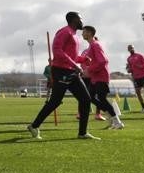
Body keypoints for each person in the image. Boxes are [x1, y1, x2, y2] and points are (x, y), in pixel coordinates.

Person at [26, 12, 123, 140]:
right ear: (74, 20)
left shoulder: (74, 36)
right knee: (55, 101)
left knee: (86, 99)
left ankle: (82, 133)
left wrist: (82, 59)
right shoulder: (65, 32)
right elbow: (57, 51)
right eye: (80, 19)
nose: (82, 21)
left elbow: (71, 57)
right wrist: (75, 65)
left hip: (70, 71)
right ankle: (34, 126)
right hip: (61, 71)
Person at [78, 27, 119, 128]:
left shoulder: (95, 45)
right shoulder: (91, 45)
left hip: (101, 77)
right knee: (90, 98)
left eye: (83, 32)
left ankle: (117, 121)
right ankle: (111, 118)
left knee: (102, 99)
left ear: (89, 33)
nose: (82, 34)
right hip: (95, 77)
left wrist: (89, 70)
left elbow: (103, 61)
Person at [125, 45, 144, 112]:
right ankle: (143, 107)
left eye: (131, 48)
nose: (131, 49)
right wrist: (129, 70)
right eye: (129, 49)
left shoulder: (140, 55)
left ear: (134, 48)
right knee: (137, 92)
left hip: (143, 75)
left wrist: (140, 66)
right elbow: (130, 67)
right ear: (128, 50)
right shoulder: (129, 58)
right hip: (136, 77)